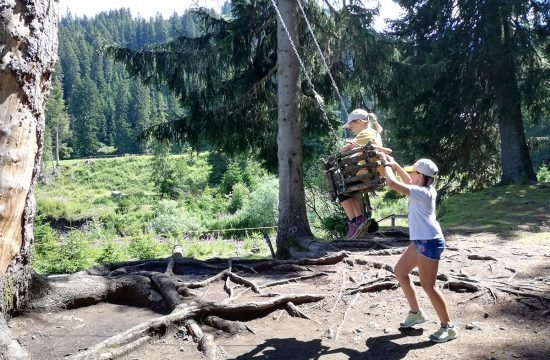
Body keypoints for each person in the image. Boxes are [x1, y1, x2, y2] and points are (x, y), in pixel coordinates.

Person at [380, 156, 458, 343]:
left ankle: (448, 327)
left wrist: (384, 166)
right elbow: (406, 181)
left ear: (420, 176)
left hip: (430, 242)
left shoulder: (421, 193)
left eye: (413, 172)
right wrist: (394, 164)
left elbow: (391, 182)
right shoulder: (423, 189)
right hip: (420, 241)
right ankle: (416, 313)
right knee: (400, 272)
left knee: (429, 286)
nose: (410, 174)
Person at [339, 109, 391, 240]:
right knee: (351, 189)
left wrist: (344, 148)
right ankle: (359, 220)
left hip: (365, 174)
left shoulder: (365, 133)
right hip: (373, 173)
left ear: (359, 122)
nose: (351, 129)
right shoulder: (374, 133)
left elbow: (344, 150)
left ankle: (354, 221)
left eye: (351, 126)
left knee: (342, 191)